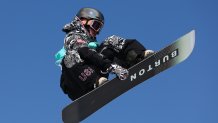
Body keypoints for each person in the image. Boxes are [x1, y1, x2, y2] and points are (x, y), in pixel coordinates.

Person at [57, 8, 129, 101]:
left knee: (111, 41)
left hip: (97, 75)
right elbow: (86, 53)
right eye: (96, 25)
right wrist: (111, 67)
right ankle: (96, 82)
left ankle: (136, 55)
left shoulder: (92, 44)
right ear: (83, 21)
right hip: (78, 84)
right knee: (70, 57)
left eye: (100, 28)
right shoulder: (73, 37)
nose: (97, 31)